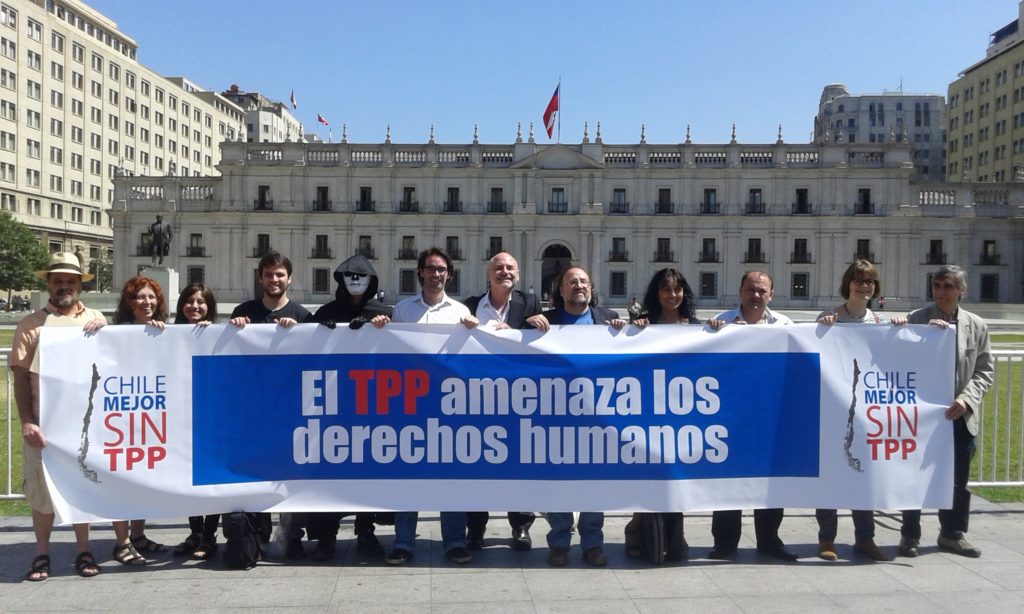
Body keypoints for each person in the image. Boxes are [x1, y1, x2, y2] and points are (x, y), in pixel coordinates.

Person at [370, 248, 478, 566]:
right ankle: (403, 542)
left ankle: (455, 541)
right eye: (430, 268)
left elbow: (474, 355)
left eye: (441, 269)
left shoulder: (461, 312)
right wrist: (380, 327)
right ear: (420, 272)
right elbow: (389, 349)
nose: (436, 274)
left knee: (452, 474)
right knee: (409, 473)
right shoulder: (403, 310)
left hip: (449, 404)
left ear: (449, 274)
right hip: (411, 402)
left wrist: (476, 330)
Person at [11, 253, 106, 580]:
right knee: (41, 493)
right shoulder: (31, 324)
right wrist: (27, 420)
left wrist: (106, 332)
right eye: (58, 281)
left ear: (80, 285)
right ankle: (42, 553)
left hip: (85, 425)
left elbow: (112, 360)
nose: (64, 286)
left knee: (82, 486)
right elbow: (20, 378)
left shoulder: (96, 318)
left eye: (70, 281)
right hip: (44, 424)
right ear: (49, 285)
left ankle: (84, 549)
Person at [525, 265, 628, 567]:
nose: (578, 286)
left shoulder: (608, 319)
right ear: (561, 290)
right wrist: (525, 325)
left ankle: (592, 543)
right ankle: (559, 542)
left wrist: (631, 330)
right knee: (557, 479)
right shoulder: (546, 320)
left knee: (595, 480)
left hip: (597, 416)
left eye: (583, 281)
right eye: (571, 282)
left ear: (591, 289)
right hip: (556, 415)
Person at [899, 265, 994, 558]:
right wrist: (907, 331)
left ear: (962, 290)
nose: (941, 291)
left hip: (960, 415)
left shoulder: (976, 325)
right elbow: (898, 358)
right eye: (937, 285)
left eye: (948, 286)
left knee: (958, 480)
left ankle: (952, 534)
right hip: (921, 417)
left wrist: (966, 399)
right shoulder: (916, 319)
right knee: (913, 475)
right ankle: (909, 534)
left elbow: (984, 371)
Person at [815, 259, 906, 562]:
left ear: (875, 287)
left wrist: (901, 331)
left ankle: (865, 538)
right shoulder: (829, 319)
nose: (863, 286)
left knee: (864, 474)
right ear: (848, 284)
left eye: (869, 281)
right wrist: (822, 328)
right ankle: (827, 539)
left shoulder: (881, 323)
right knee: (829, 475)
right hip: (831, 409)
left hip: (867, 413)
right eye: (858, 280)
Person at [705, 271, 799, 562]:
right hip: (730, 413)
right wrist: (712, 334)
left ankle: (769, 541)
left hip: (771, 414)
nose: (756, 295)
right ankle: (724, 543)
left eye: (762, 290)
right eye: (750, 290)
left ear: (771, 294)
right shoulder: (720, 322)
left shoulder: (785, 325)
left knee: (771, 480)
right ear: (740, 291)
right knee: (727, 478)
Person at [306, 254, 394, 561]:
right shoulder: (326, 313)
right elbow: (302, 347)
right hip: (332, 403)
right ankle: (326, 536)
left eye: (361, 275)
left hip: (370, 403)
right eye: (350, 275)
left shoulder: (384, 313)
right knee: (328, 472)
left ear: (372, 281)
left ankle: (366, 531)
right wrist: (317, 329)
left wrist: (379, 328)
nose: (355, 280)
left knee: (367, 471)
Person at [462, 252, 542, 552]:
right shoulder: (469, 306)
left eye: (510, 268)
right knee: (476, 466)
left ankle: (520, 526)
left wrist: (522, 333)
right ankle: (475, 529)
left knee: (520, 465)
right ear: (488, 274)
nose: (504, 272)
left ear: (518, 275)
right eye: (498, 268)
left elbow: (541, 341)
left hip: (518, 399)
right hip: (477, 399)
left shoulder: (530, 304)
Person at [626, 268, 701, 562]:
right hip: (649, 410)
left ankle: (674, 534)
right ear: (656, 293)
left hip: (684, 413)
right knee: (647, 474)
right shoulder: (643, 325)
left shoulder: (696, 328)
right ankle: (636, 528)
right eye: (666, 289)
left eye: (677, 289)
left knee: (676, 476)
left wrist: (718, 330)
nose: (673, 295)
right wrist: (631, 330)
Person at [109, 276, 170, 563]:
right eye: (140, 297)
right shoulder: (116, 332)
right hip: (122, 414)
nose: (146, 302)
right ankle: (121, 542)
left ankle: (138, 535)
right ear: (129, 302)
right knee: (121, 479)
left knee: (143, 477)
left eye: (151, 297)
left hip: (151, 414)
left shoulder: (163, 331)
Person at [170, 284, 222, 561]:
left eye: (201, 302)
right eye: (189, 301)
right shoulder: (169, 335)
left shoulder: (219, 334)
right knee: (187, 477)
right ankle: (195, 532)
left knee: (210, 477)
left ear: (209, 306)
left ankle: (209, 535)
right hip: (181, 415)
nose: (195, 306)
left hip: (211, 416)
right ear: (181, 305)